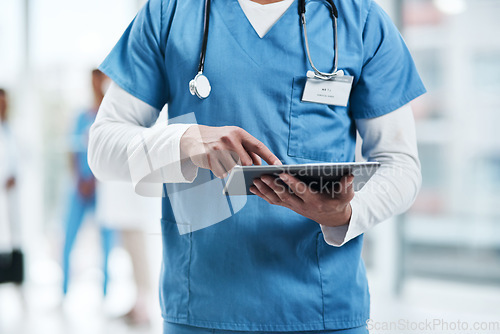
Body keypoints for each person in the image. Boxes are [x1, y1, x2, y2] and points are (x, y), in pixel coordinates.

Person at [88, 0, 425, 333]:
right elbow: (103, 148)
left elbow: (400, 165)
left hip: (323, 307)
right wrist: (186, 141)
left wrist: (346, 214)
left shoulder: (360, 19)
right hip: (201, 307)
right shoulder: (169, 13)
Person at [62, 70, 115, 296]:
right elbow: (72, 152)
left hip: (102, 188)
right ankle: (63, 293)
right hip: (79, 188)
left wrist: (95, 180)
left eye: (100, 80)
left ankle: (104, 296)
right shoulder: (82, 117)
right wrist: (80, 180)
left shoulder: (111, 117)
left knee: (107, 245)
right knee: (68, 240)